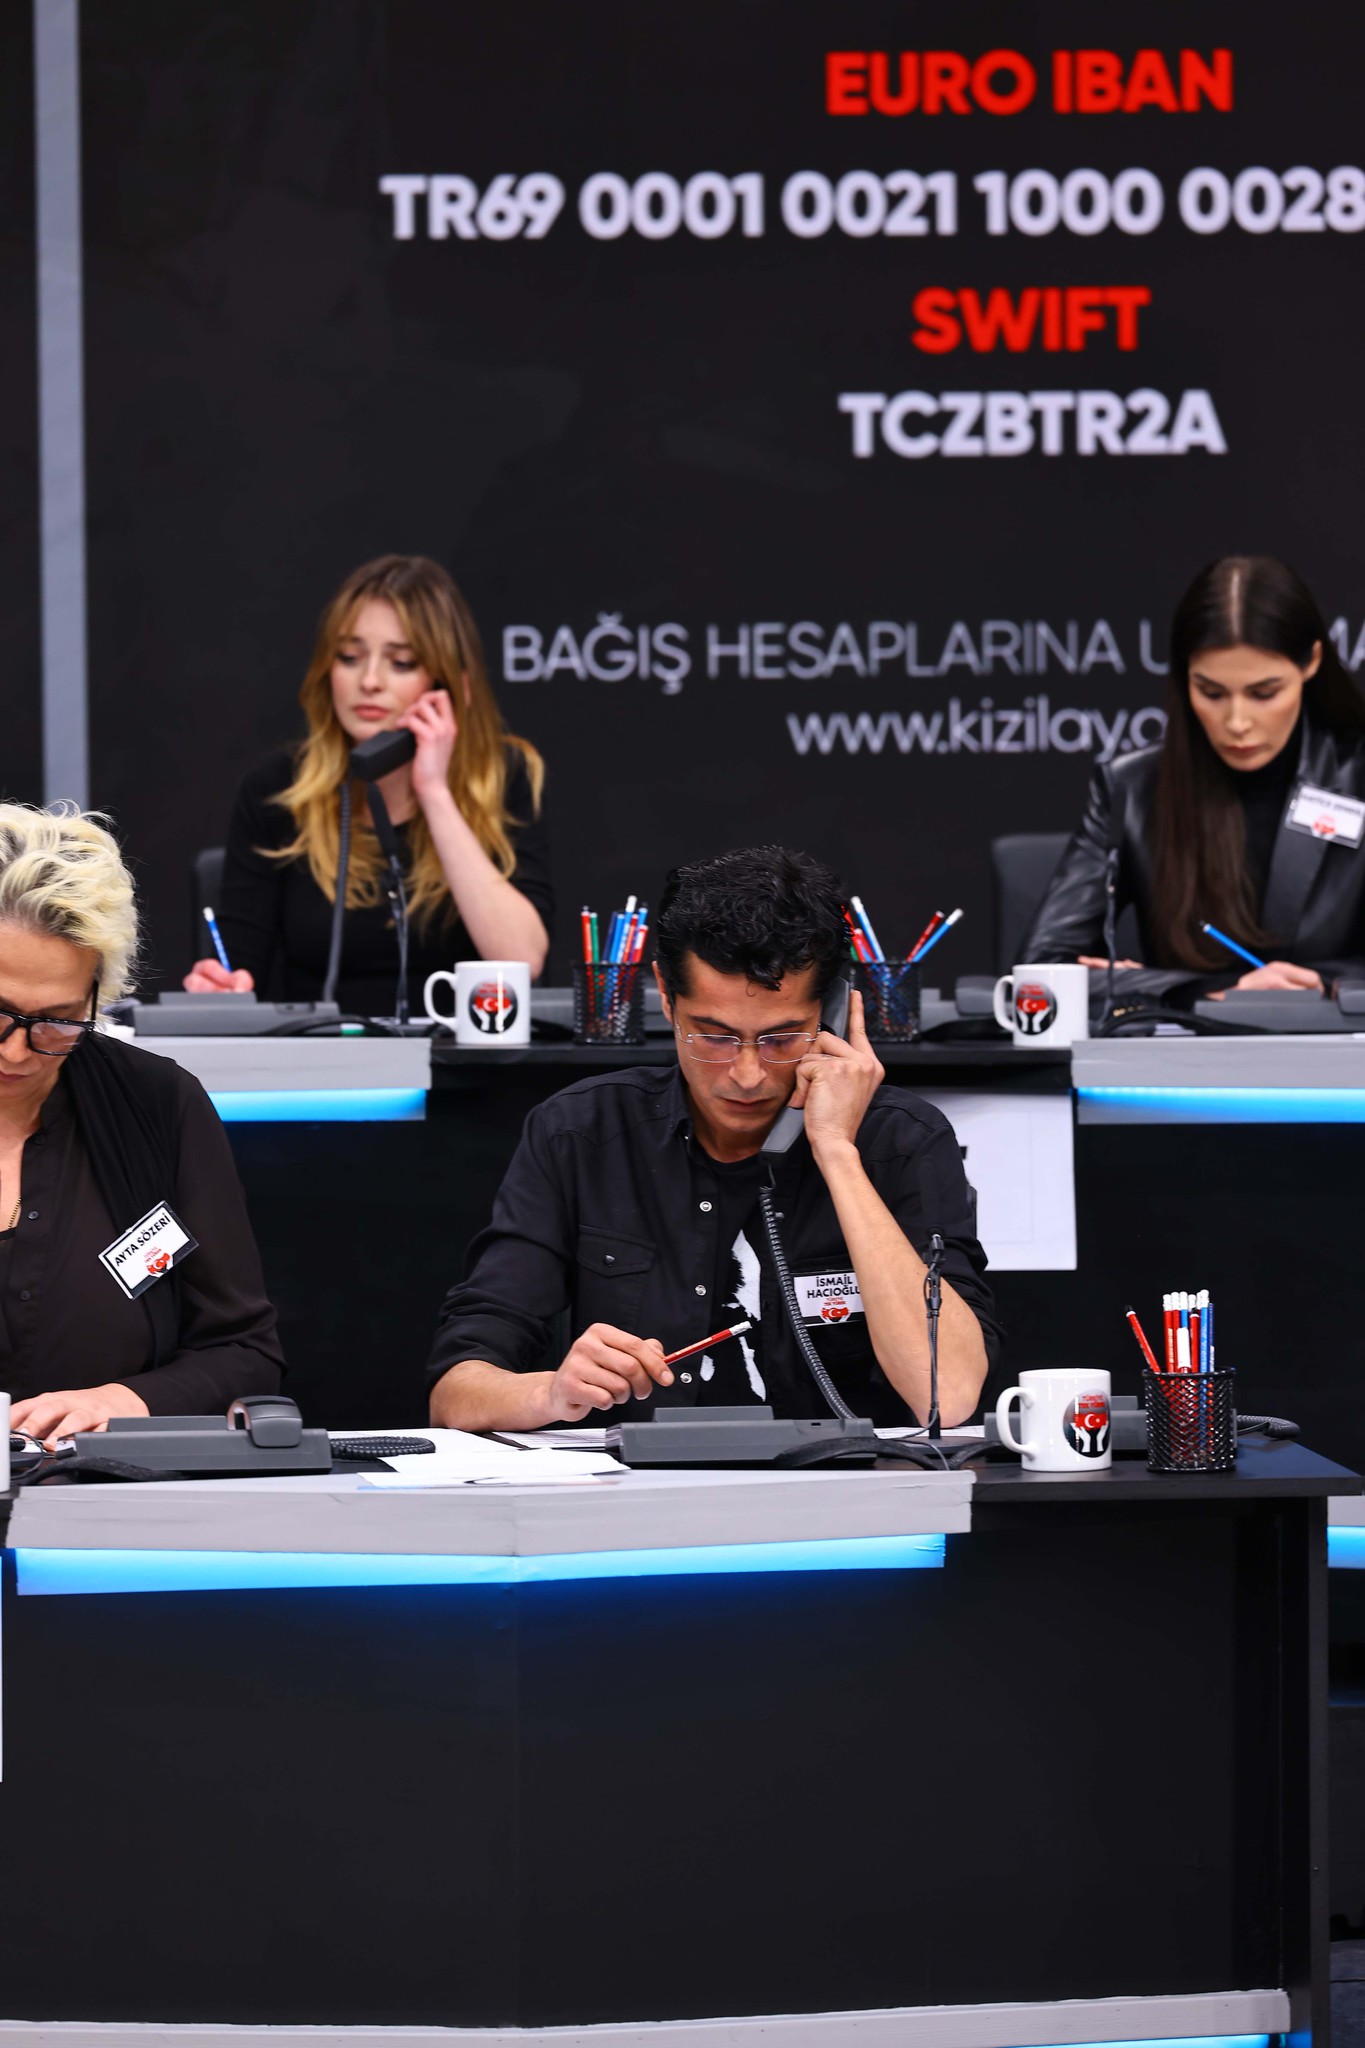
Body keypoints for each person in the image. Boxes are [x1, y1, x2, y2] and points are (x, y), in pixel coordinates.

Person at [427, 846, 998, 1431]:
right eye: (714, 1037)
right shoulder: (580, 1132)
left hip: (844, 1487)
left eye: (781, 1038)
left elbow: (948, 1394)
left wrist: (836, 1152)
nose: (747, 1074)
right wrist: (550, 1393)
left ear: (828, 1013)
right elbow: (456, 1391)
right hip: (636, 1487)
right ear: (666, 996)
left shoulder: (903, 1140)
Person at [0, 804, 283, 1439]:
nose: (18, 1051)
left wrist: (127, 1400)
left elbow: (244, 1351)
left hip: (103, 1488)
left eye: (57, 1022)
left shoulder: (155, 1104)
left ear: (98, 995)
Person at [184, 555, 552, 1015]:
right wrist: (221, 988)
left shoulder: (502, 776)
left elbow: (522, 960)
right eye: (350, 658)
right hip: (320, 1056)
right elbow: (238, 973)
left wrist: (435, 793)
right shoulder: (276, 789)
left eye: (401, 662)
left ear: (448, 686)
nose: (370, 681)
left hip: (459, 1055)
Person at [1023, 555, 1365, 996]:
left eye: (1264, 693)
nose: (1237, 721)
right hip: (1188, 1042)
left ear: (1311, 663)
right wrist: (1213, 991)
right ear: (1185, 677)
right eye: (1212, 692)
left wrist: (1323, 984)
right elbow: (1041, 971)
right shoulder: (1132, 787)